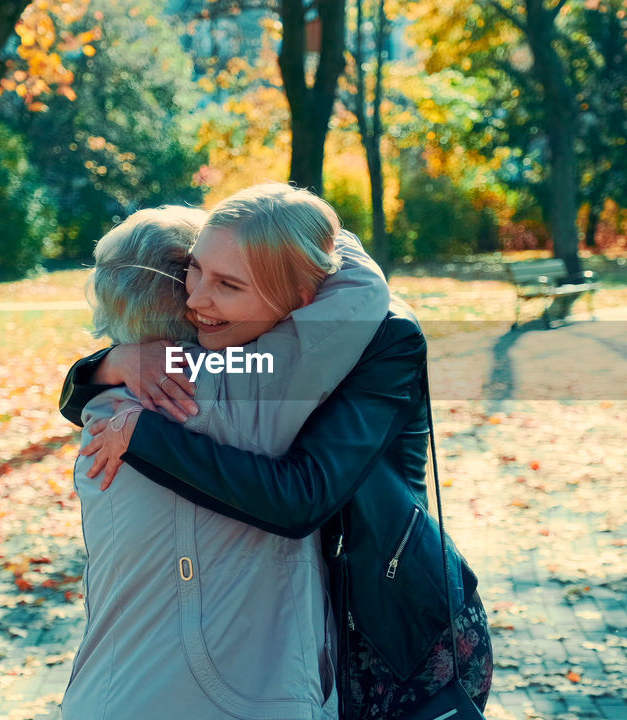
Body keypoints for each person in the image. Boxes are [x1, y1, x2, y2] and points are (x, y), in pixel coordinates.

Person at [60, 197, 494, 719]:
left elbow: (299, 496)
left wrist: (140, 429)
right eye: (194, 271)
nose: (196, 298)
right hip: (325, 614)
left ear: (298, 291)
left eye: (229, 282)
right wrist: (111, 363)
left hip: (397, 620)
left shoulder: (383, 338)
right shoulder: (242, 356)